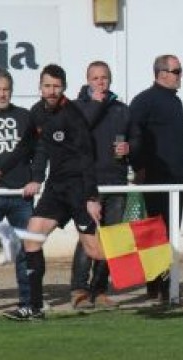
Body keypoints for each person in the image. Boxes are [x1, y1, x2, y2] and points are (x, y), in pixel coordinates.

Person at [0, 64, 104, 320]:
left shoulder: (73, 116)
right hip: (55, 188)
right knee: (31, 239)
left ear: (63, 87)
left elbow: (88, 158)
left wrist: (91, 198)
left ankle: (149, 257)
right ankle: (34, 307)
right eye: (47, 86)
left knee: (95, 251)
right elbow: (25, 147)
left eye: (56, 86)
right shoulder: (37, 112)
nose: (51, 91)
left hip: (77, 189)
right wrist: (2, 171)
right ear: (40, 87)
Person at [69, 61, 140, 309]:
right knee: (87, 237)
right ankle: (78, 289)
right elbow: (79, 131)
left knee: (111, 239)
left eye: (104, 78)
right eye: (95, 78)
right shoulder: (77, 108)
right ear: (87, 81)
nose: (100, 82)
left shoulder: (122, 109)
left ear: (110, 80)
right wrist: (97, 104)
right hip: (88, 182)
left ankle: (99, 289)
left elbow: (137, 138)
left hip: (116, 181)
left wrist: (130, 147)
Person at [130, 54, 183, 303]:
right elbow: (133, 135)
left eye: (179, 70)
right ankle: (155, 287)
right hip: (155, 179)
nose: (179, 75)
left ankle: (166, 287)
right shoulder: (144, 101)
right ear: (161, 73)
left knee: (171, 234)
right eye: (176, 71)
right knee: (155, 235)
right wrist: (139, 167)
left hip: (177, 178)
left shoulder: (175, 102)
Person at [0, 68, 46, 319]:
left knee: (27, 251)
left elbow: (39, 153)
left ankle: (29, 304)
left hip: (20, 195)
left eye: (6, 89)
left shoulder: (25, 118)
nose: (3, 94)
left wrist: (36, 179)